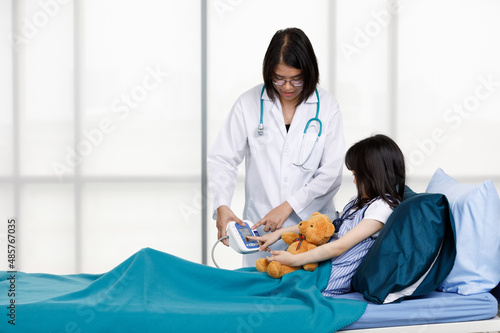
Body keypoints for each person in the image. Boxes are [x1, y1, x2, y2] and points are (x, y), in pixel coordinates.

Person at [207, 27, 345, 267]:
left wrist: (289, 206)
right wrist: (222, 205)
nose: (287, 87)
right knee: (259, 295)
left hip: (311, 229)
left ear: (309, 72)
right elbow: (223, 159)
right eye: (278, 78)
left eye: (296, 79)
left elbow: (331, 173)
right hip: (260, 227)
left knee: (307, 296)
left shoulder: (327, 106)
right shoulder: (248, 103)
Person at [248, 134, 406, 295]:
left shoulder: (382, 208)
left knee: (261, 288)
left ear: (373, 174)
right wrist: (279, 233)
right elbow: (324, 224)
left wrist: (293, 260)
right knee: (253, 277)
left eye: (356, 175)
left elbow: (339, 247)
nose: (354, 181)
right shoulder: (358, 203)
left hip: (331, 275)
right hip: (319, 265)